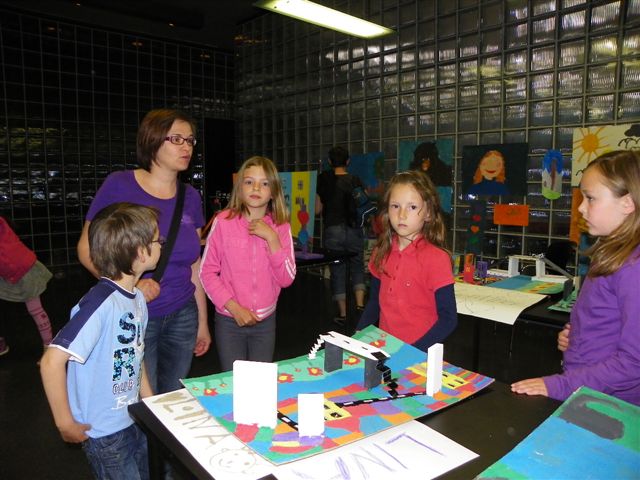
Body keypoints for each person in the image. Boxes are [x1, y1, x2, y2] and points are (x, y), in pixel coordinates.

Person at [77, 109, 211, 394]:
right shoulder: (119, 185)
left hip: (183, 313)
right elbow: (87, 249)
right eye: (176, 139)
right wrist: (131, 286)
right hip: (134, 315)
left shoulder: (190, 196)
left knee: (172, 397)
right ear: (152, 140)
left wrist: (202, 322)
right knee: (137, 401)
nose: (186, 146)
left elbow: (194, 265)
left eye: (190, 140)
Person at [41, 202, 159, 479]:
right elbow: (50, 362)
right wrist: (65, 423)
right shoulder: (100, 303)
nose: (161, 244)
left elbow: (135, 355)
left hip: (133, 417)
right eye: (158, 240)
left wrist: (151, 403)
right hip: (105, 433)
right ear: (140, 251)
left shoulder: (137, 299)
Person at [512, 150, 640, 406]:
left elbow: (633, 362)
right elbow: (607, 322)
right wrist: (578, 339)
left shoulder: (633, 267)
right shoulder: (612, 255)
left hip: (612, 403)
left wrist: (558, 385)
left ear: (627, 203)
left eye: (590, 198)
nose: (581, 208)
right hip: (589, 388)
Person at [200, 156, 296, 372]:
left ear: (274, 191)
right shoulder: (224, 222)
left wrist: (272, 239)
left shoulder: (280, 227)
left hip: (265, 322)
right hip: (229, 321)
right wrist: (234, 308)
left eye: (264, 183)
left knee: (259, 381)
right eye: (249, 181)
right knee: (234, 381)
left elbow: (286, 279)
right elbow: (207, 272)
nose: (256, 188)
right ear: (240, 187)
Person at [356, 170, 457, 352]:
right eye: (395, 206)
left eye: (412, 207)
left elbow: (448, 318)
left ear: (428, 213)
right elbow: (375, 302)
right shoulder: (381, 252)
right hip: (386, 348)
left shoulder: (436, 258)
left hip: (420, 355)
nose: (402, 215)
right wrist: (359, 333)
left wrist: (412, 352)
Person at [315, 146, 367, 325]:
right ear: (348, 161)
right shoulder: (355, 180)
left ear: (330, 161)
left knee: (338, 271)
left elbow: (317, 209)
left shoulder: (324, 180)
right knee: (357, 266)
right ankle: (360, 306)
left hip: (333, 230)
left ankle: (343, 314)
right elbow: (363, 203)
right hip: (354, 229)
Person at [0, 216, 54, 355]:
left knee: (35, 309)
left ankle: (49, 347)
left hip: (23, 269)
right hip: (12, 267)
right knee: (35, 309)